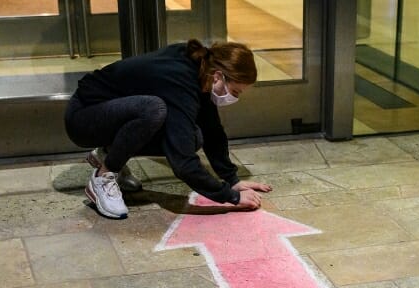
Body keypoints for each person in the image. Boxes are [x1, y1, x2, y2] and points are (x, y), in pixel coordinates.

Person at [64, 38, 271, 219]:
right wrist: (230, 197)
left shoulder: (201, 68)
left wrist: (232, 180)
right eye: (235, 91)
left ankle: (109, 154)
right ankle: (103, 176)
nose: (234, 98)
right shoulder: (180, 79)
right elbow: (182, 163)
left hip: (111, 115)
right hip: (84, 117)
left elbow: (212, 131)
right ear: (218, 76)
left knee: (194, 136)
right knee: (154, 109)